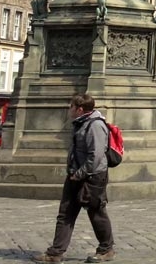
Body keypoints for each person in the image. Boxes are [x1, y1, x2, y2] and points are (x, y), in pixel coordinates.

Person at [31, 93, 115, 263]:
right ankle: (55, 253)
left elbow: (96, 155)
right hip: (75, 174)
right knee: (66, 213)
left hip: (92, 177)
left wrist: (80, 173)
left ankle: (106, 249)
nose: (68, 110)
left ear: (79, 109)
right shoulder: (80, 123)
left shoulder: (95, 125)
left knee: (96, 212)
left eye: (70, 106)